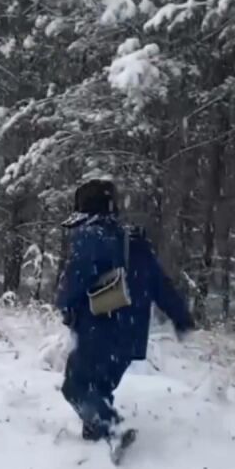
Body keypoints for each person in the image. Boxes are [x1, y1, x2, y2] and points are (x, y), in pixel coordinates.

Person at [56, 179, 193, 446]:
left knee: (76, 386)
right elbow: (159, 283)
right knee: (100, 388)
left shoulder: (91, 237)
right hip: (130, 335)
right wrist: (180, 316)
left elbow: (75, 280)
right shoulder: (135, 242)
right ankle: (96, 447)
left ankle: (113, 433)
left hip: (99, 330)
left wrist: (65, 306)